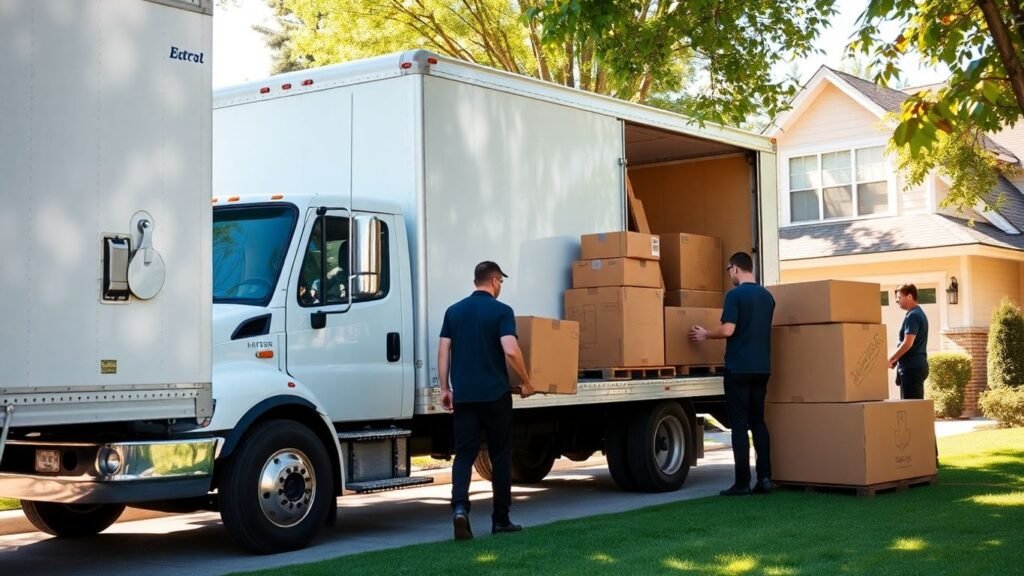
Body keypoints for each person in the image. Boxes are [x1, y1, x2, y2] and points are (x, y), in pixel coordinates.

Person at [438, 261, 535, 540]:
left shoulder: (453, 312)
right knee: (500, 456)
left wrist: (445, 388)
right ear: (494, 281)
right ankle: (501, 520)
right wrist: (526, 380)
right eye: (501, 282)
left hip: (465, 397)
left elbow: (443, 351)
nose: (501, 286)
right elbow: (511, 349)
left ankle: (459, 510)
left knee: (464, 455)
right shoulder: (502, 312)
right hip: (495, 396)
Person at [689, 252, 775, 496]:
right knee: (758, 421)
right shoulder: (767, 297)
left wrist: (705, 334)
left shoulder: (734, 295)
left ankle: (741, 483)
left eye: (729, 270)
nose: (729, 275)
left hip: (738, 368)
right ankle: (765, 478)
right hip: (762, 368)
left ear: (735, 269)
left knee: (739, 425)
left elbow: (728, 329)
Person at [889, 284, 929, 399]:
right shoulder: (917, 313)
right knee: (913, 407)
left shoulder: (913, 316)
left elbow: (907, 343)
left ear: (909, 296)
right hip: (915, 366)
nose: (897, 301)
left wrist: (892, 358)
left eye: (899, 297)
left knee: (911, 409)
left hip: (912, 369)